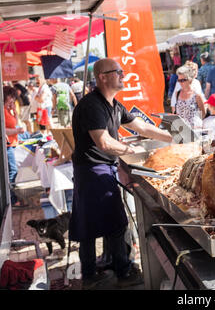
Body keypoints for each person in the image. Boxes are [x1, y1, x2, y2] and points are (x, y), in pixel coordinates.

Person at [69, 58, 173, 289]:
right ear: (103, 77)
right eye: (118, 72)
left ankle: (100, 270)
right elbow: (104, 142)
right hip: (92, 170)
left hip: (101, 169)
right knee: (111, 224)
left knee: (104, 222)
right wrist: (130, 149)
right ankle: (119, 273)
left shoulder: (114, 104)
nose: (123, 75)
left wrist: (173, 137)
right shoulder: (92, 105)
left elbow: (142, 127)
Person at [3, 87, 25, 207]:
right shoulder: (2, 110)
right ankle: (12, 200)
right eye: (11, 97)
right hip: (7, 146)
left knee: (13, 171)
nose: (13, 100)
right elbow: (3, 130)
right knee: (12, 172)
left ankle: (13, 199)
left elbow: (14, 123)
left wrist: (15, 113)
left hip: (11, 144)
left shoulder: (7, 109)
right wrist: (17, 130)